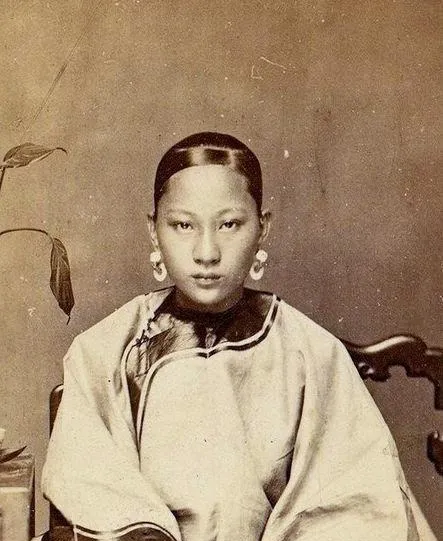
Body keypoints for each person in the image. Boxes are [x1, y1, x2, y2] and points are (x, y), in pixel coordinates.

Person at [42, 132, 421, 541]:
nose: (207, 252)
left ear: (262, 228)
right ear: (153, 231)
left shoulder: (311, 352)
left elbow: (357, 499)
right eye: (183, 225)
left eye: (229, 225)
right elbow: (89, 483)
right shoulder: (105, 350)